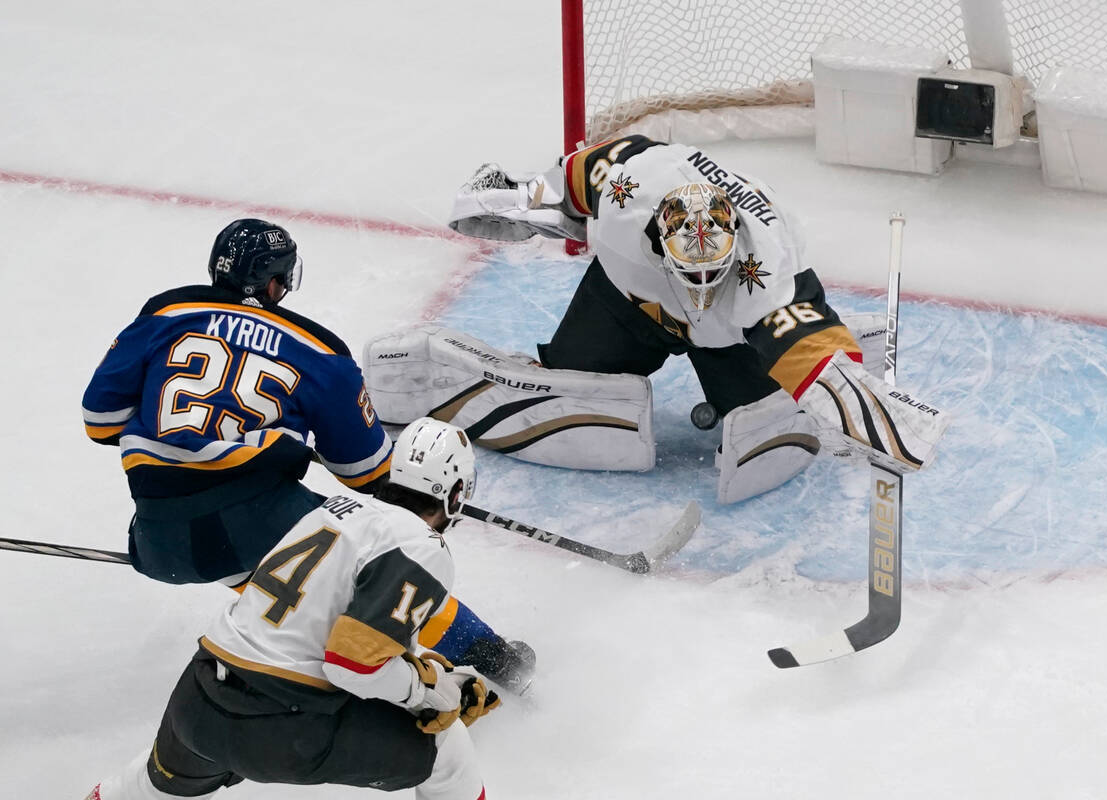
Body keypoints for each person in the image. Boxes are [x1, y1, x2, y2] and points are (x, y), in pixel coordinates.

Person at [363, 136, 948, 503]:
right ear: (659, 239)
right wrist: (514, 199)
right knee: (573, 377)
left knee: (756, 406)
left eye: (711, 272)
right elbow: (568, 184)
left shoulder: (763, 258)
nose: (700, 285)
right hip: (630, 305)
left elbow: (800, 340)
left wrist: (875, 413)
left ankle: (767, 377)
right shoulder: (626, 187)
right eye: (688, 270)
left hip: (732, 332)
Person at [81, 218, 534, 692]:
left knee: (277, 563)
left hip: (156, 541)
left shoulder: (165, 312)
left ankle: (288, 613)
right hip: (254, 523)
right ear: (276, 281)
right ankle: (498, 661)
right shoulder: (319, 350)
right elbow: (369, 473)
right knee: (382, 557)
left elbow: (100, 421)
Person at [85, 418, 500, 800]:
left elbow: (320, 637)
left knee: (143, 787)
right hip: (279, 724)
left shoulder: (332, 511)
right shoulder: (420, 544)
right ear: (456, 493)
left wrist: (432, 677)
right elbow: (353, 666)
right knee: (447, 746)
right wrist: (432, 693)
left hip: (198, 699)